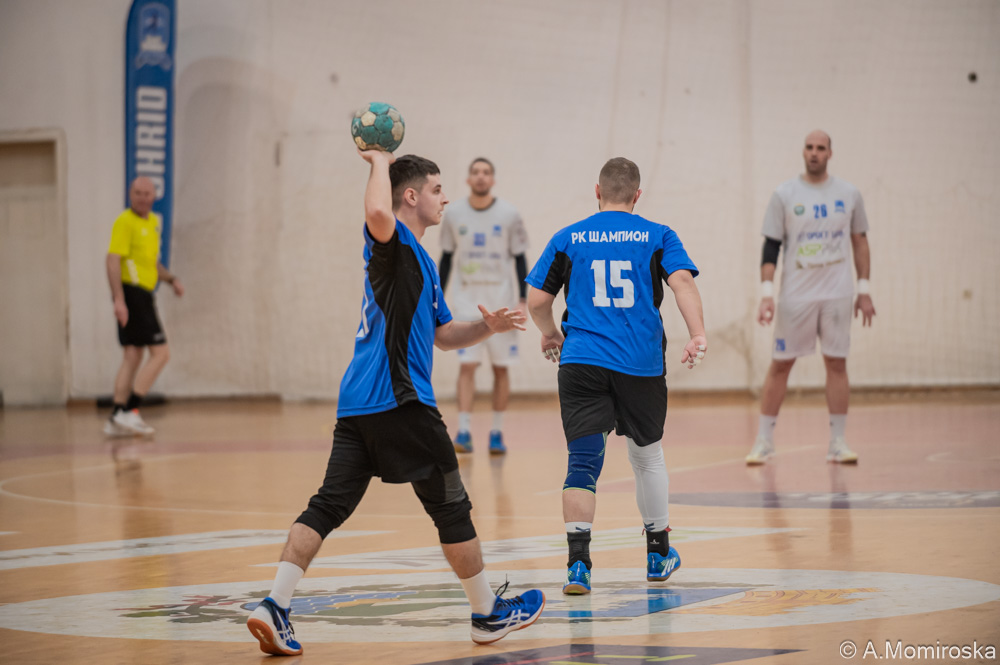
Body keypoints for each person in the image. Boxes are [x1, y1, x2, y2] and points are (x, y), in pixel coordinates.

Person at [246, 150, 544, 656]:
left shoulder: (422, 262)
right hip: (402, 403)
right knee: (452, 509)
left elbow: (444, 336)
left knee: (327, 505)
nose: (445, 198)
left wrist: (487, 326)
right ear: (411, 196)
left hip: (357, 406)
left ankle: (275, 605)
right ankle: (487, 613)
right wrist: (379, 161)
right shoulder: (396, 243)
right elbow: (377, 212)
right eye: (436, 189)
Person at [525, 157, 707, 596]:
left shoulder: (568, 237)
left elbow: (536, 300)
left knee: (582, 463)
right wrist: (697, 334)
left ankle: (578, 566)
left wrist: (550, 333)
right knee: (647, 457)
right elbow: (682, 282)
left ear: (597, 191)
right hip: (640, 364)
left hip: (582, 361)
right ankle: (658, 555)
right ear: (637, 195)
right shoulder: (658, 234)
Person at [746, 130, 875, 466]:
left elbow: (860, 241)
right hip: (796, 294)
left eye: (821, 148)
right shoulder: (785, 194)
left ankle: (838, 443)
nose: (814, 152)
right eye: (809, 147)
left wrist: (864, 290)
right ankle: (764, 441)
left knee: (837, 362)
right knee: (781, 364)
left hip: (837, 293)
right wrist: (766, 294)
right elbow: (771, 245)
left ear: (830, 153)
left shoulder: (849, 194)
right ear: (803, 152)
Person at [439, 157, 529, 455]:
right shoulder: (454, 214)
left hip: (502, 303)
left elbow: (520, 258)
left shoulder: (509, 214)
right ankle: (464, 431)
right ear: (468, 179)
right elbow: (446, 258)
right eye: (475, 172)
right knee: (467, 366)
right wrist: (435, 297)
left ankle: (497, 433)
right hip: (467, 302)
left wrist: (523, 299)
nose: (480, 176)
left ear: (493, 180)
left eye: (486, 172)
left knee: (501, 369)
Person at [103, 176, 183, 437]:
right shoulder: (125, 221)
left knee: (133, 355)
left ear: (154, 197)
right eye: (137, 193)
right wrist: (118, 299)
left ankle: (117, 415)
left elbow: (152, 264)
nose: (142, 198)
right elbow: (112, 260)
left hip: (144, 294)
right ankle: (131, 409)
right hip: (133, 295)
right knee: (161, 354)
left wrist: (171, 280)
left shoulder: (152, 224)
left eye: (147, 193)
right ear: (130, 194)